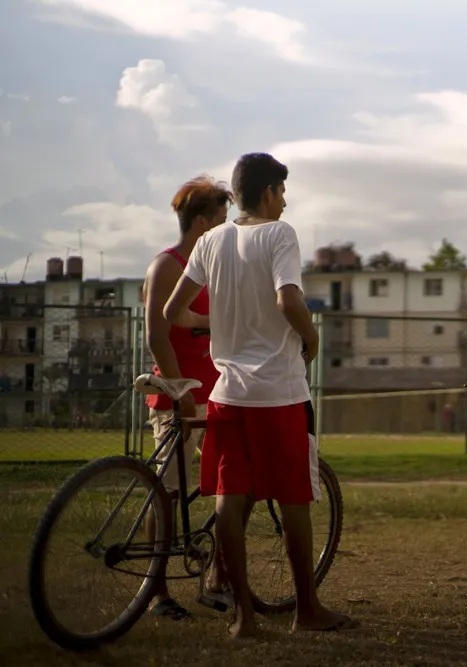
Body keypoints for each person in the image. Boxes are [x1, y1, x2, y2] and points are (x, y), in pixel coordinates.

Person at [164, 152, 354, 638]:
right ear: (269, 192)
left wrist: (220, 323)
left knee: (230, 497)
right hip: (279, 393)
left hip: (228, 393)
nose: (286, 203)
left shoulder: (210, 240)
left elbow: (174, 312)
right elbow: (287, 299)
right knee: (293, 499)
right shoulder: (279, 235)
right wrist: (311, 338)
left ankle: (243, 617)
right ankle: (306, 610)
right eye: (283, 193)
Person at [141, 175, 231, 620]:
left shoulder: (207, 268)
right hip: (181, 397)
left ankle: (216, 579)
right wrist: (178, 392)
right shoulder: (169, 265)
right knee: (169, 493)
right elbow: (157, 336)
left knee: (230, 486)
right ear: (201, 222)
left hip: (216, 395)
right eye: (220, 221)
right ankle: (155, 592)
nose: (225, 229)